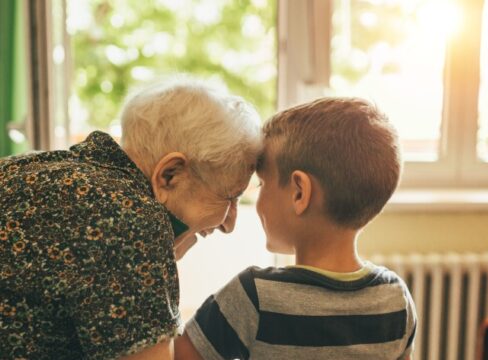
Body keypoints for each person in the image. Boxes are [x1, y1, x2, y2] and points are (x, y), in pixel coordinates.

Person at [0, 78, 262, 359]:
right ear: (169, 175)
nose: (229, 223)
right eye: (230, 197)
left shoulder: (26, 167)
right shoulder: (131, 218)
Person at [175, 97, 417, 360]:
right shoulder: (395, 301)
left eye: (262, 184)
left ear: (299, 192)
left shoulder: (254, 297)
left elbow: (173, 357)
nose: (258, 196)